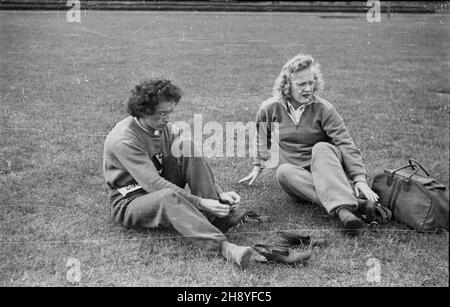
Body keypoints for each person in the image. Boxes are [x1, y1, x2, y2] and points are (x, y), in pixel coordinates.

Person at [103, 78, 253, 268]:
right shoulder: (124, 139)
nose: (167, 119)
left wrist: (217, 192)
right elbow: (154, 185)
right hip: (131, 201)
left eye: (169, 113)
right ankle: (224, 247)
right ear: (143, 111)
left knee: (186, 146)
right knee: (166, 196)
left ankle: (217, 215)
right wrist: (200, 203)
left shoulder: (163, 127)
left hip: (158, 186)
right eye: (161, 114)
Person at [240, 54, 379, 233]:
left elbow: (345, 143)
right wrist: (257, 166)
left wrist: (360, 179)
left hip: (327, 169)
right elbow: (261, 136)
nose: (308, 89)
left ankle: (344, 212)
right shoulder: (269, 108)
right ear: (287, 85)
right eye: (301, 84)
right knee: (283, 171)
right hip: (300, 179)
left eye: (311, 83)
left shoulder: (324, 108)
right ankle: (353, 204)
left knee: (320, 147)